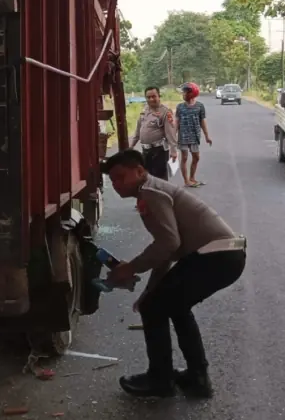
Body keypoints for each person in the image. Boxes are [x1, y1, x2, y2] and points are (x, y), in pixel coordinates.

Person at [101, 149, 246, 398]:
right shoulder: (150, 190)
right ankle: (197, 378)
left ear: (140, 171)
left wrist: (131, 268)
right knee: (170, 305)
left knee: (155, 308)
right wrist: (150, 289)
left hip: (216, 256)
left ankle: (160, 380)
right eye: (112, 180)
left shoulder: (150, 192)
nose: (116, 184)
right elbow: (168, 249)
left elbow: (168, 243)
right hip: (222, 255)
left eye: (120, 177)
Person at [130, 87, 177, 180]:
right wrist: (131, 146)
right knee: (147, 178)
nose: (151, 99)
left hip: (159, 151)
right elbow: (138, 130)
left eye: (154, 96)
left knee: (160, 179)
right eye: (148, 97)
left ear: (159, 96)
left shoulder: (165, 112)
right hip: (146, 151)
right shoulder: (144, 110)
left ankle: (162, 194)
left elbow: (170, 132)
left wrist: (173, 150)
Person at [175, 82, 211, 187]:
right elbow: (176, 122)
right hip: (183, 136)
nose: (183, 94)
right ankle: (186, 181)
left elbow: (202, 122)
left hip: (195, 136)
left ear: (192, 93)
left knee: (196, 157)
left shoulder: (200, 106)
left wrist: (207, 136)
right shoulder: (180, 107)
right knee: (184, 158)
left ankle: (192, 177)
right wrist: (173, 135)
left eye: (185, 92)